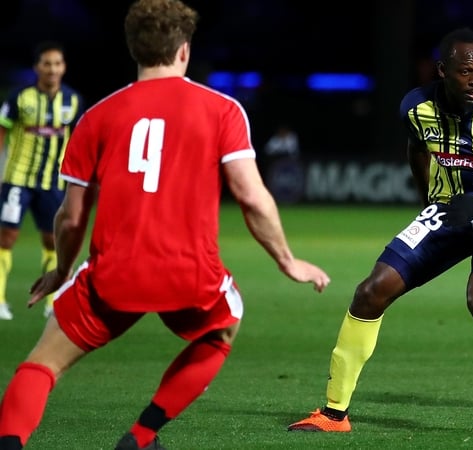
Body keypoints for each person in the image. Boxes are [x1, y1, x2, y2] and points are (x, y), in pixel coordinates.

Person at [0, 1, 331, 449]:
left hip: (112, 274)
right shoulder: (222, 110)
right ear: (184, 51)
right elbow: (252, 197)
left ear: (134, 50)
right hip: (189, 275)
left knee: (41, 364)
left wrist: (61, 272)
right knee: (224, 326)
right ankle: (140, 437)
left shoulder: (96, 117)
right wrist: (287, 260)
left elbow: (72, 215)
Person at [288, 27, 473, 435]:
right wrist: (428, 201)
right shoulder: (415, 107)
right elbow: (417, 147)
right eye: (465, 72)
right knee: (370, 292)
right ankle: (334, 414)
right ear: (443, 71)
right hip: (450, 211)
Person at [0, 40, 85, 320]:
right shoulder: (19, 98)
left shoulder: (72, 101)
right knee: (7, 236)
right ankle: (0, 299)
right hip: (18, 179)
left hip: (52, 181)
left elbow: (80, 140)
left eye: (57, 64)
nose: (52, 69)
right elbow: (2, 131)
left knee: (53, 240)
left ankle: (52, 302)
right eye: (46, 63)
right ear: (37, 67)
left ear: (64, 68)